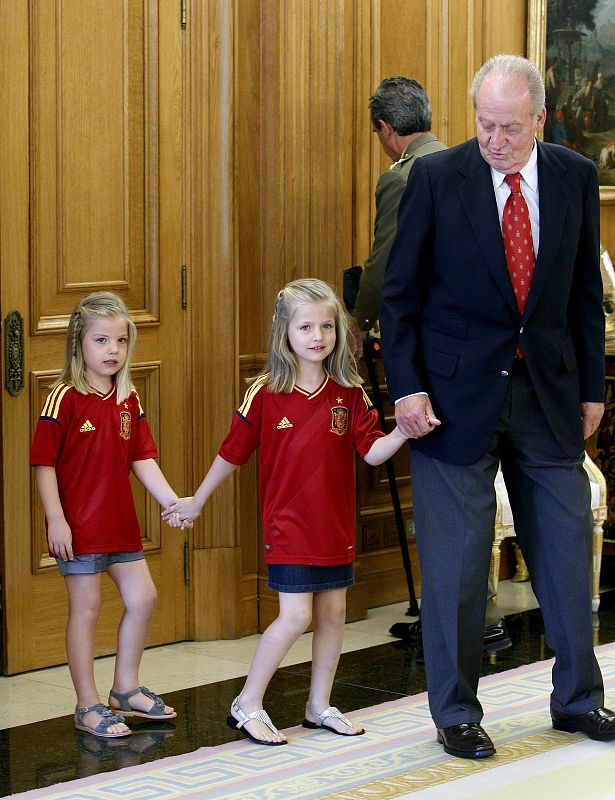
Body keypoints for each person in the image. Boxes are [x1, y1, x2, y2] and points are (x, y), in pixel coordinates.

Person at [380, 54, 615, 760]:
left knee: (567, 552)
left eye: (509, 127)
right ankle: (455, 712)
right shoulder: (433, 178)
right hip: (450, 401)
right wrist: (407, 389)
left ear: (539, 119)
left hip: (545, 395)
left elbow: (579, 293)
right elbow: (398, 296)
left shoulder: (573, 178)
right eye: (484, 124)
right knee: (455, 566)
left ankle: (578, 699)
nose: (494, 139)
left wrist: (591, 390)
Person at [163, 278, 410, 745]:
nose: (318, 336)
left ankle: (319, 706)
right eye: (305, 327)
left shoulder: (349, 392)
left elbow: (373, 452)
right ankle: (247, 703)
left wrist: (406, 432)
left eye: (326, 326)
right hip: (289, 525)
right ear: (284, 332)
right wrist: (196, 498)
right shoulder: (265, 393)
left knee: (334, 613)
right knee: (296, 616)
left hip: (335, 525)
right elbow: (232, 452)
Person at [350, 76, 511, 654]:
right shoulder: (466, 162)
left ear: (387, 131)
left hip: (433, 360)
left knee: (449, 499)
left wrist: (361, 320)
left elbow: (389, 266)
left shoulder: (409, 174)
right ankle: (479, 611)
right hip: (489, 359)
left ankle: (459, 618)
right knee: (473, 494)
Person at [30, 291, 183, 739]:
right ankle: (86, 704)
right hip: (77, 528)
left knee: (144, 598)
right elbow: (43, 464)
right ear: (79, 342)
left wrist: (171, 501)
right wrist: (56, 520)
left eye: (120, 341)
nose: (112, 350)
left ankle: (125, 688)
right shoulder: (63, 399)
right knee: (87, 608)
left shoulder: (128, 401)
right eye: (101, 340)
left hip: (120, 525)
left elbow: (142, 457)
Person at [353, 77, 446, 333]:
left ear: (385, 128)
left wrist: (363, 320)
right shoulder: (461, 165)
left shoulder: (401, 177)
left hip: (421, 325)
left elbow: (385, 262)